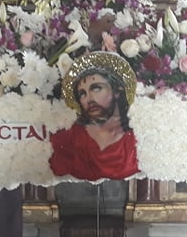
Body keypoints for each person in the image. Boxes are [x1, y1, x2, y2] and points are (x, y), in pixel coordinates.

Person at [49, 51, 139, 181]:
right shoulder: (70, 138)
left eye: (96, 88)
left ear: (117, 91)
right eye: (82, 94)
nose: (89, 99)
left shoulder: (137, 139)